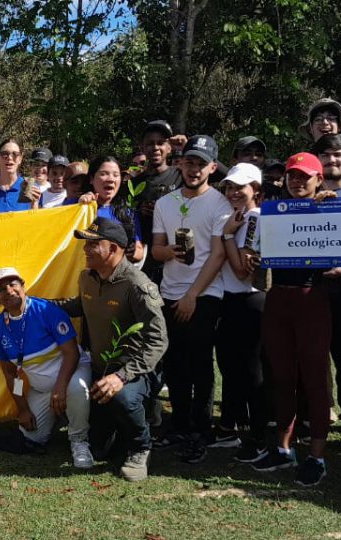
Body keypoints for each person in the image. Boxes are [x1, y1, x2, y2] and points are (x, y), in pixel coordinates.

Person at [55, 218, 167, 481]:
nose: (85, 249)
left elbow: (158, 341)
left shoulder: (137, 285)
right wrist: (31, 302)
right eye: (86, 244)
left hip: (133, 371)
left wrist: (122, 376)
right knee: (100, 449)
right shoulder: (87, 278)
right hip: (99, 368)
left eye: (93, 245)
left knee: (124, 399)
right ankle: (124, 424)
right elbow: (79, 307)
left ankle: (141, 447)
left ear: (114, 249)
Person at [251, 153, 334, 486]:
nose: (298, 182)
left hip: (313, 298)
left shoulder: (332, 210)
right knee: (282, 377)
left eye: (305, 177)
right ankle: (284, 448)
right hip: (278, 299)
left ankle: (317, 455)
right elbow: (255, 254)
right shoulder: (274, 213)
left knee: (313, 379)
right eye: (292, 177)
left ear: (318, 179)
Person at [151, 135, 230, 463]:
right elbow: (156, 249)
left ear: (212, 167)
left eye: (201, 163)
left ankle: (201, 430)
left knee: (200, 365)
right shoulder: (164, 203)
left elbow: (217, 255)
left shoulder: (220, 204)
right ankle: (179, 425)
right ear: (179, 164)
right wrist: (169, 251)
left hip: (204, 294)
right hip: (169, 292)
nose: (194, 169)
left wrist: (192, 296)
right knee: (175, 364)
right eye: (189, 162)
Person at [0, 267, 93, 469]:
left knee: (76, 389)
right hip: (42, 388)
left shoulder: (46, 310)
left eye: (13, 284)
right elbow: (10, 373)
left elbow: (72, 353)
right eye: (1, 289)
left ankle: (79, 441)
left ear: (23, 287)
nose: (9, 291)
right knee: (32, 437)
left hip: (72, 373)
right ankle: (66, 416)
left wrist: (60, 387)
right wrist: (23, 409)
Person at [213, 163, 269, 460]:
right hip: (231, 301)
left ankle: (258, 438)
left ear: (255, 191)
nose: (234, 192)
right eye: (230, 187)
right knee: (231, 368)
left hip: (250, 300)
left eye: (241, 187)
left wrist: (225, 236)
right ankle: (229, 429)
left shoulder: (256, 220)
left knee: (252, 372)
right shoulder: (236, 217)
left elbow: (242, 270)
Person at [134, 120, 183, 284]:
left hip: (177, 258)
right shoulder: (134, 184)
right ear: (142, 148)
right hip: (144, 262)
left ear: (169, 147)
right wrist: (139, 210)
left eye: (161, 143)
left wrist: (189, 145)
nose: (155, 148)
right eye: (150, 143)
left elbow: (223, 175)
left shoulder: (182, 176)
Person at [312, 135, 341, 410]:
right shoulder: (303, 197)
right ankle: (321, 413)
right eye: (326, 155)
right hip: (314, 291)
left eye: (337, 154)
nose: (332, 160)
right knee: (315, 358)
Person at [82, 156, 145, 264]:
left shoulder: (128, 213)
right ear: (91, 179)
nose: (111, 179)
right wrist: (81, 205)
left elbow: (139, 251)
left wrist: (132, 252)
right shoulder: (78, 208)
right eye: (104, 174)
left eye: (116, 175)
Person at [0, 139, 38, 213]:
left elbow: (35, 221)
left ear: (20, 159)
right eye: (5, 154)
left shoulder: (28, 189)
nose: (10, 158)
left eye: (15, 154)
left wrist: (35, 203)